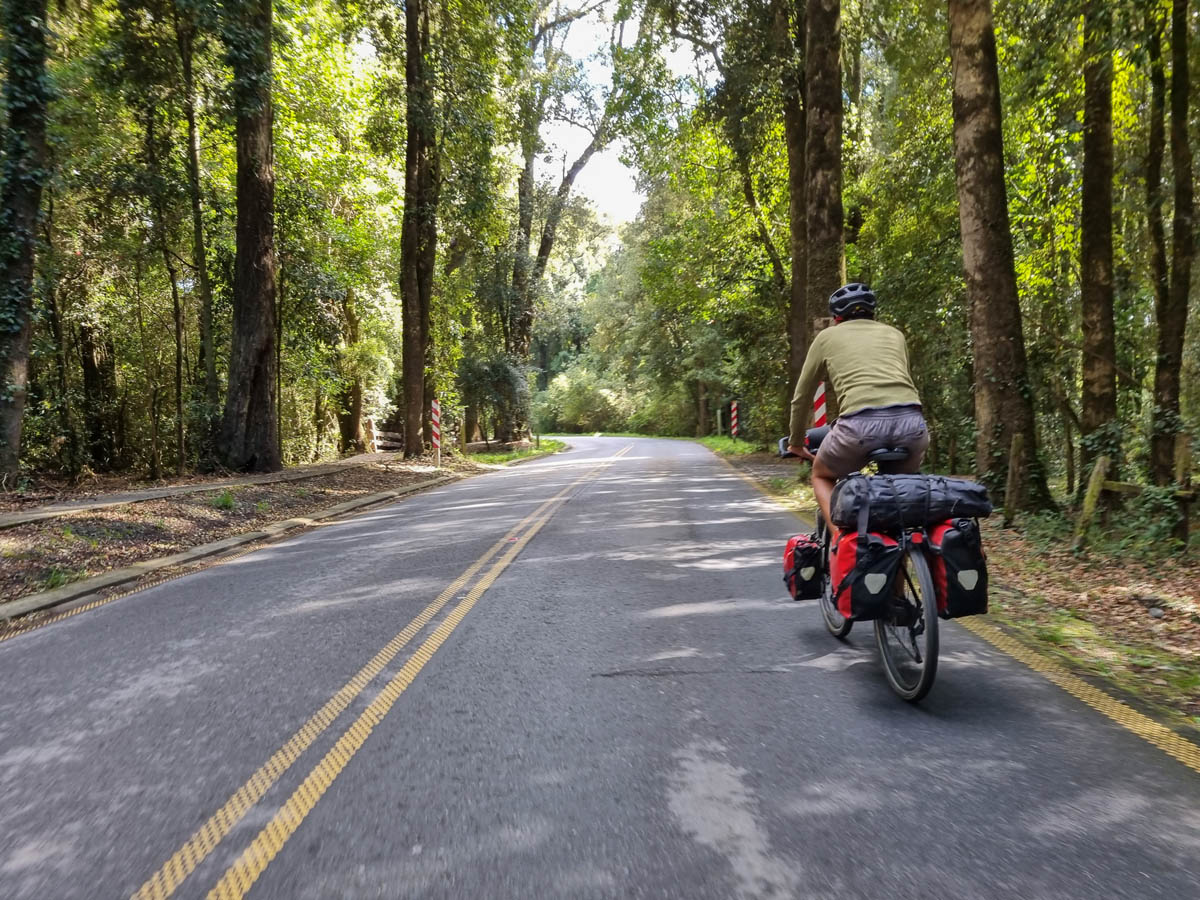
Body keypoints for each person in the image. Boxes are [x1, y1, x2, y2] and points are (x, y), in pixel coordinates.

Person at [787, 283, 929, 530]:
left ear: (836, 318)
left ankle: (842, 544)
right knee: (900, 497)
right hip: (912, 425)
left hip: (859, 427)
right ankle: (902, 559)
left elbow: (802, 396)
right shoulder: (895, 334)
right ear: (873, 313)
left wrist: (796, 442)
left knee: (821, 475)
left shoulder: (826, 337)